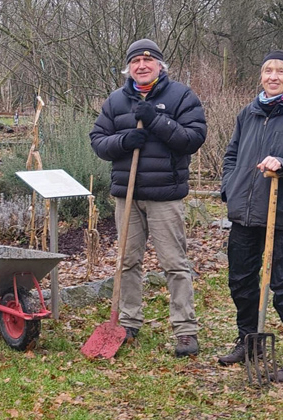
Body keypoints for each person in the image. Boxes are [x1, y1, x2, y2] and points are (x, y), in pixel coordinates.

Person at [89, 39, 206, 357]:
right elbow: (98, 141)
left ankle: (185, 330)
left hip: (165, 195)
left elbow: (193, 138)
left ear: (159, 65)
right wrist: (125, 139)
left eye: (148, 60)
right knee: (127, 263)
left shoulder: (181, 96)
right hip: (127, 196)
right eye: (135, 61)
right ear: (128, 68)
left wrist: (156, 120)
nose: (142, 65)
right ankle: (127, 322)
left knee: (174, 263)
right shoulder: (116, 101)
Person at [219, 50, 283, 383]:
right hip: (245, 213)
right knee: (241, 281)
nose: (273, 76)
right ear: (261, 76)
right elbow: (232, 156)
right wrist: (229, 187)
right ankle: (249, 341)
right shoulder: (247, 114)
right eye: (268, 70)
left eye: (280, 71)